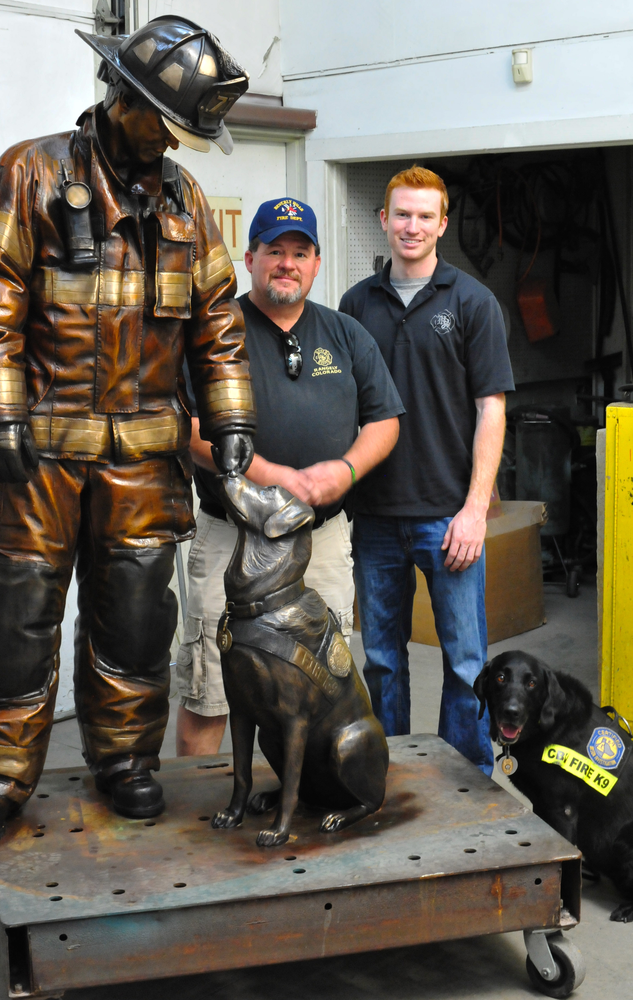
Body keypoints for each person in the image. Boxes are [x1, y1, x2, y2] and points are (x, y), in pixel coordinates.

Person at [0, 16, 258, 844]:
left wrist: (230, 414)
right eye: (169, 123)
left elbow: (218, 322)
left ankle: (125, 760)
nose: (175, 144)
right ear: (123, 98)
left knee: (133, 616)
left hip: (142, 463)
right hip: (39, 456)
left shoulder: (184, 200)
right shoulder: (32, 174)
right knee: (14, 615)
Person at [175, 198, 404, 756]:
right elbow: (186, 428)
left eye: (299, 252)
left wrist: (346, 469)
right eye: (274, 251)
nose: (287, 263)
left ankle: (310, 806)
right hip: (235, 543)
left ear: (317, 264)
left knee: (321, 685)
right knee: (213, 690)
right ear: (248, 257)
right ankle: (203, 830)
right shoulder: (214, 332)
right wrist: (274, 476)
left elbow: (385, 421)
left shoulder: (347, 334)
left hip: (319, 544)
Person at [339, 165, 515, 775]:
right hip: (377, 517)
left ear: (442, 224)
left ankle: (468, 784)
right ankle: (388, 778)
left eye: (425, 216)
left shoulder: (473, 302)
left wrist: (474, 509)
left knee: (466, 661)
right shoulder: (356, 304)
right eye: (401, 215)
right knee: (382, 661)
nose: (412, 226)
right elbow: (345, 407)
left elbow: (491, 409)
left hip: (448, 517)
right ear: (384, 221)